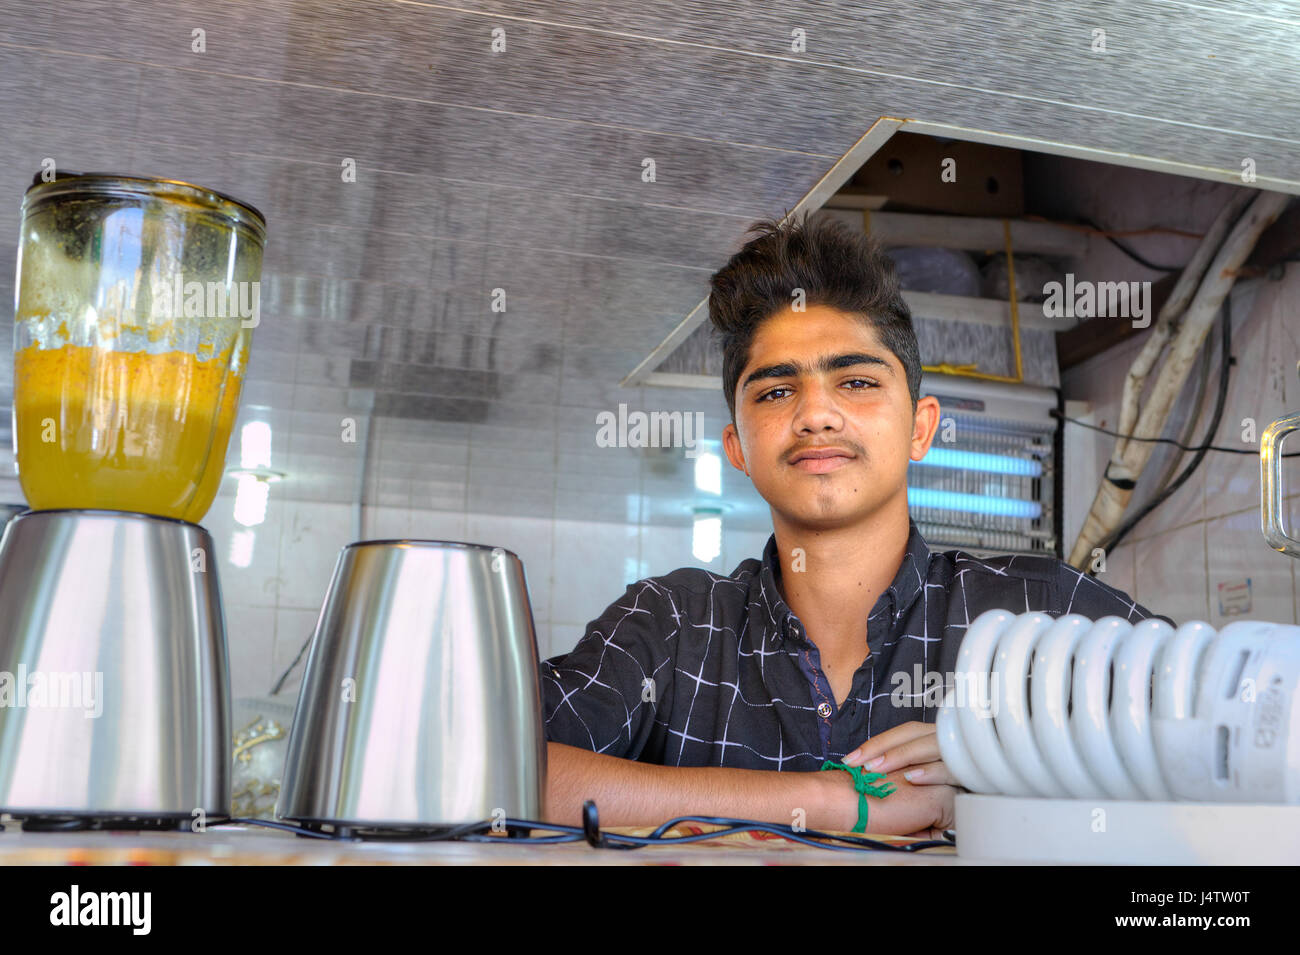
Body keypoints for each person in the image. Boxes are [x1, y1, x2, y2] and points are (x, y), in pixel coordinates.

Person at [540, 212, 1170, 837]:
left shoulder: (1042, 611)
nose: (817, 415)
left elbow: (1235, 736)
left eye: (857, 381)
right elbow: (488, 763)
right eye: (776, 392)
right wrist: (837, 801)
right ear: (738, 448)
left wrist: (1006, 761)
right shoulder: (672, 626)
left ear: (921, 427)